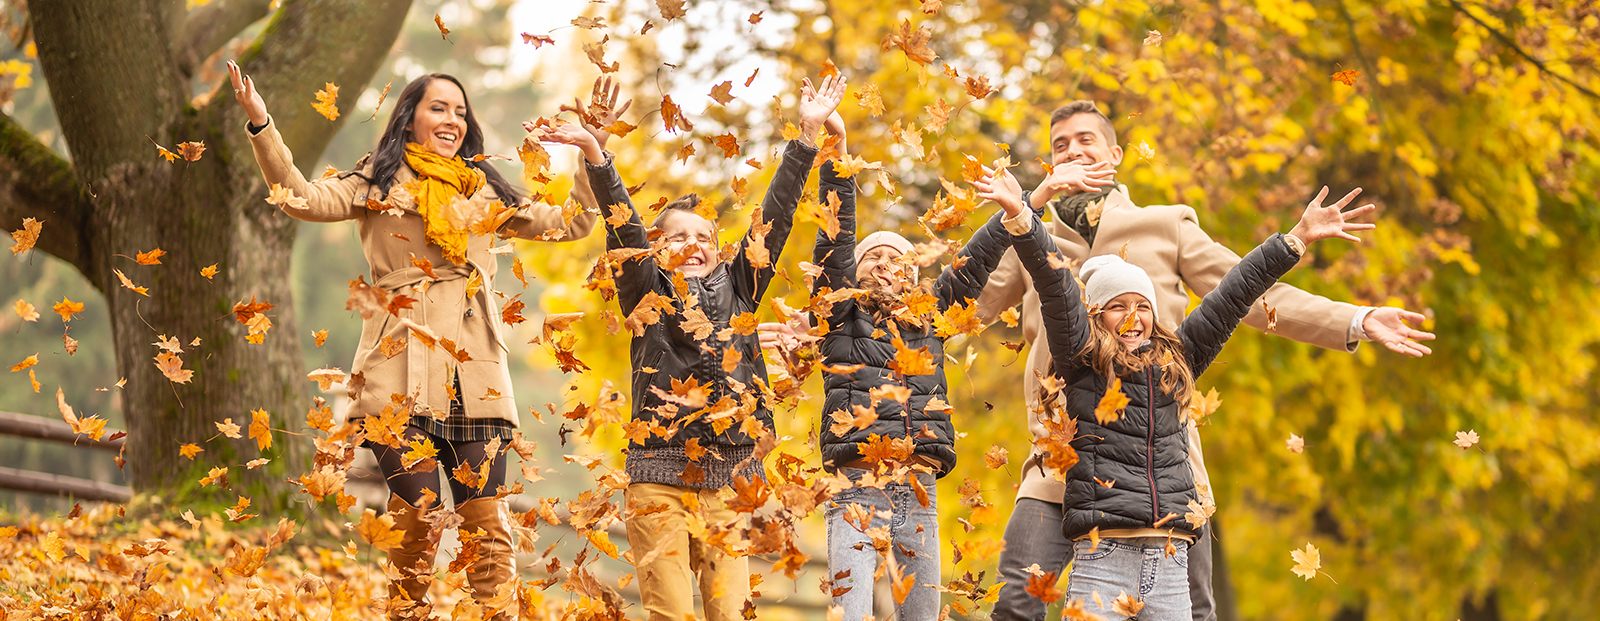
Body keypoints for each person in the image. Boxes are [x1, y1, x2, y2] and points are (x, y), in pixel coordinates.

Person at [975, 101, 1437, 621]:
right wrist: (1021, 212)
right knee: (1017, 601)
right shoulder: (1029, 241)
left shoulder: (1165, 226)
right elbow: (964, 309)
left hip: (1160, 460)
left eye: (1086, 140)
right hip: (1059, 455)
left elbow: (1246, 294)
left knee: (1196, 608)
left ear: (1115, 154)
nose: (1074, 150)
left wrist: (1355, 318)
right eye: (1060, 145)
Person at [227, 62, 599, 620]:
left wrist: (591, 151)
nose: (452, 119)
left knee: (485, 521)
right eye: (438, 107)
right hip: (399, 361)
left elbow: (572, 223)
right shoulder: (375, 182)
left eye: (460, 110)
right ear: (409, 119)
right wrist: (262, 124)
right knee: (418, 515)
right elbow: (299, 198)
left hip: (473, 367)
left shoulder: (486, 190)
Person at [537, 74, 848, 621]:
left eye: (704, 237)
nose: (694, 245)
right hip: (660, 480)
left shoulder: (742, 287)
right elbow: (625, 230)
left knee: (729, 614)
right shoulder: (646, 288)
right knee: (672, 613)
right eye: (679, 237)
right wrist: (598, 157)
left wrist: (807, 136)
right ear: (657, 249)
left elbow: (773, 221)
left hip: (729, 486)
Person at [802, 114, 1028, 620]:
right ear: (854, 273)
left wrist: (1022, 206)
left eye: (898, 258)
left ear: (916, 275)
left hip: (919, 494)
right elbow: (834, 243)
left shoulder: (931, 317)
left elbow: (977, 260)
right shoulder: (838, 314)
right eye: (872, 257)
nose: (885, 263)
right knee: (854, 614)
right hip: (858, 490)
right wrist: (838, 149)